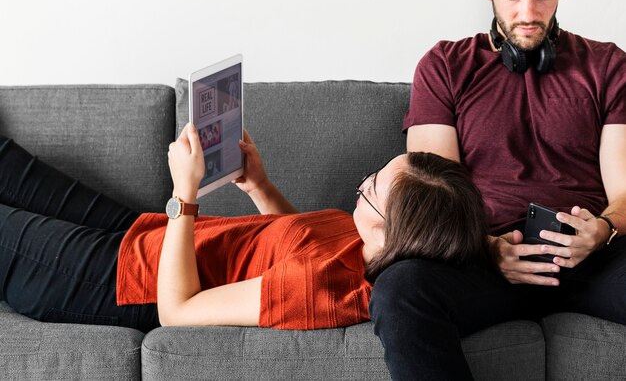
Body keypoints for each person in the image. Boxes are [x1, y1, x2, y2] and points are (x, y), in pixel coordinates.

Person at [369, 0, 626, 380]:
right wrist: (486, 249)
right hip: (484, 259)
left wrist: (604, 230)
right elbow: (433, 201)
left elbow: (625, 191)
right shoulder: (444, 66)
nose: (527, 14)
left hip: (592, 259)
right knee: (400, 288)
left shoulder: (608, 65)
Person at [0, 126, 490, 333]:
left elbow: (177, 311)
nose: (362, 182)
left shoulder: (318, 289)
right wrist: (258, 184)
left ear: (393, 236)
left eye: (372, 189)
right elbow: (297, 243)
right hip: (151, 239)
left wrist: (185, 194)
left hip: (125, 283)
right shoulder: (363, 244)